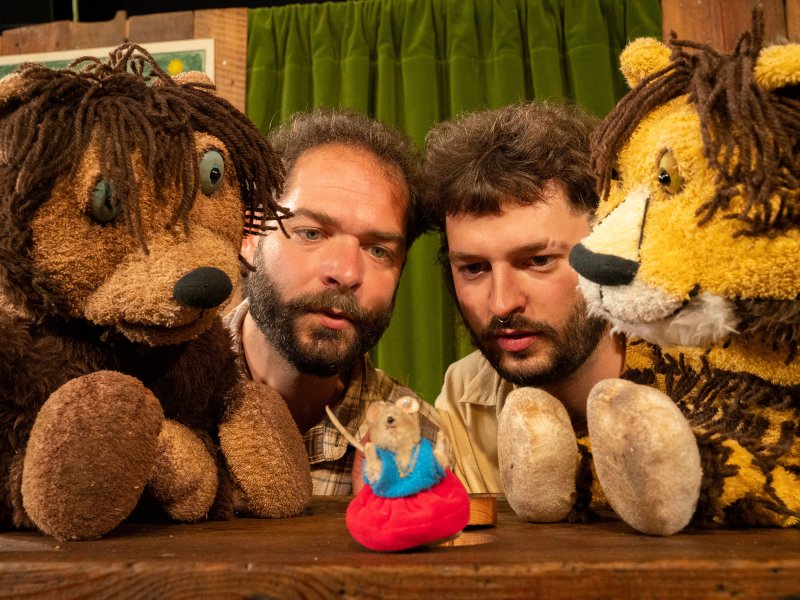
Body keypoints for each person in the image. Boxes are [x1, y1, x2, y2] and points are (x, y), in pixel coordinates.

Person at [228, 108, 445, 495]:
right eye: (311, 233)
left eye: (378, 251)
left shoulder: (420, 439)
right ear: (249, 236)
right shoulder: (161, 397)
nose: (346, 273)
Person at [422, 101, 626, 495]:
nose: (501, 304)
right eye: (474, 268)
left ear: (609, 248)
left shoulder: (703, 374)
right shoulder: (464, 396)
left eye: (538, 261)